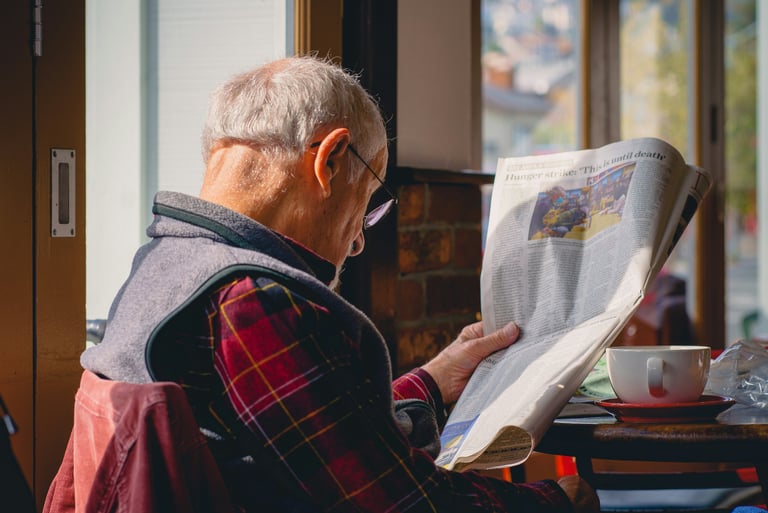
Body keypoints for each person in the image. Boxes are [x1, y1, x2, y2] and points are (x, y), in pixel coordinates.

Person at [80, 55, 599, 513]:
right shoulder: (253, 300)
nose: (357, 243)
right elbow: (394, 502)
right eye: (369, 197)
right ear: (330, 159)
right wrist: (555, 500)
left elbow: (314, 430)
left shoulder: (161, 267)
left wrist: (437, 380)